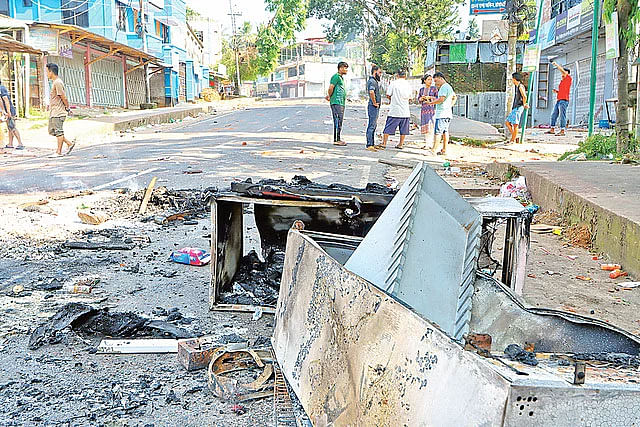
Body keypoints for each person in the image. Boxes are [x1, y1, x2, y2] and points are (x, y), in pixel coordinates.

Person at [378, 68, 411, 150]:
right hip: (405, 111)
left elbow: (388, 94)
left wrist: (393, 100)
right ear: (405, 76)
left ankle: (384, 143)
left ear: (397, 75)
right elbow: (410, 98)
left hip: (395, 110)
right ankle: (400, 144)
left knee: (388, 127)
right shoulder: (408, 84)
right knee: (403, 129)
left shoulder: (393, 83)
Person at [46, 63, 75, 157]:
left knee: (58, 131)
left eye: (47, 71)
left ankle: (58, 152)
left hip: (59, 112)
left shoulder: (58, 82)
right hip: (54, 111)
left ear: (51, 72)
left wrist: (67, 108)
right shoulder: (55, 82)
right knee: (52, 131)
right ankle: (69, 143)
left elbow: (63, 97)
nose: (46, 74)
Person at [428, 72, 456, 156]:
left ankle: (433, 150)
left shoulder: (444, 87)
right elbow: (454, 97)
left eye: (436, 81)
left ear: (440, 78)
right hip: (447, 113)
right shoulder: (449, 87)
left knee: (438, 132)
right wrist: (450, 105)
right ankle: (444, 150)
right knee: (445, 132)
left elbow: (441, 99)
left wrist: (432, 102)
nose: (435, 83)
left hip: (441, 114)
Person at [326, 61, 348, 146]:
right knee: (337, 119)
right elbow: (331, 88)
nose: (346, 70)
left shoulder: (340, 78)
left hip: (341, 102)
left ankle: (338, 138)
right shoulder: (336, 77)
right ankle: (336, 139)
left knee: (340, 120)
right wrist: (329, 96)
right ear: (341, 68)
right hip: (336, 102)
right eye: (345, 68)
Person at [547, 62, 572, 136]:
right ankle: (552, 129)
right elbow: (563, 91)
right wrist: (557, 92)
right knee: (554, 114)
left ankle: (562, 130)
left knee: (562, 115)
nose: (562, 73)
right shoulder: (562, 81)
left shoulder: (568, 78)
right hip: (559, 99)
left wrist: (557, 65)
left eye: (564, 72)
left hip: (564, 100)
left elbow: (562, 71)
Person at [505, 72, 528, 144]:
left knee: (515, 124)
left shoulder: (520, 86)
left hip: (518, 107)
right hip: (516, 107)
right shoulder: (518, 86)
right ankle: (515, 136)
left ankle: (513, 140)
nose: (512, 80)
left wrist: (524, 104)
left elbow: (524, 96)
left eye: (512, 79)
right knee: (507, 122)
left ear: (515, 79)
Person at [0, 83, 24, 150]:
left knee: (12, 127)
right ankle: (10, 143)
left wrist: (8, 112)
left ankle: (20, 143)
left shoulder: (1, 88)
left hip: (9, 111)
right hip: (7, 111)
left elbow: (6, 100)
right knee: (10, 127)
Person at [417, 74, 438, 151]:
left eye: (431, 79)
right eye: (428, 79)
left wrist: (430, 98)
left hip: (431, 109)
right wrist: (421, 98)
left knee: (431, 126)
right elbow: (418, 99)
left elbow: (437, 98)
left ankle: (431, 143)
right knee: (425, 126)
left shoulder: (434, 89)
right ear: (425, 80)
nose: (430, 81)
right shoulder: (422, 90)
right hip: (424, 110)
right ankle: (427, 143)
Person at [365, 65, 383, 152]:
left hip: (374, 106)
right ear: (375, 72)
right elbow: (371, 92)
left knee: (374, 124)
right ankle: (369, 144)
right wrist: (375, 102)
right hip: (373, 106)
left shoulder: (374, 81)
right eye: (379, 72)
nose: (380, 74)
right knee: (371, 125)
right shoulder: (372, 81)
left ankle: (372, 143)